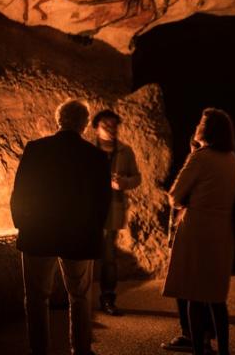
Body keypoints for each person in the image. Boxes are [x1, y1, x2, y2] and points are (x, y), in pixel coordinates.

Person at [10, 99, 112, 355]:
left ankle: (39, 350)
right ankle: (80, 349)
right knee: (79, 297)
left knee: (36, 297)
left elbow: (20, 192)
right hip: (78, 236)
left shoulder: (36, 149)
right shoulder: (97, 156)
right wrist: (93, 231)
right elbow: (102, 202)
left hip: (38, 233)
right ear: (85, 124)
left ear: (59, 120)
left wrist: (22, 224)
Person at [162, 108, 235, 355]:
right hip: (221, 231)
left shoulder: (200, 157)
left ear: (206, 130)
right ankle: (224, 350)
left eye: (200, 123)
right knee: (216, 296)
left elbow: (174, 196)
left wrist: (186, 201)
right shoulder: (231, 158)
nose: (197, 125)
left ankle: (197, 348)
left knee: (194, 294)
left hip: (197, 230)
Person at [91, 109, 141, 316]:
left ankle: (108, 299)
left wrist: (123, 183)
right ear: (96, 128)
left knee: (109, 258)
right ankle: (79, 300)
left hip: (111, 211)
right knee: (85, 258)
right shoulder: (88, 150)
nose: (111, 129)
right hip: (89, 211)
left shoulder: (125, 151)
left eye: (114, 125)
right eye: (106, 125)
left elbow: (137, 178)